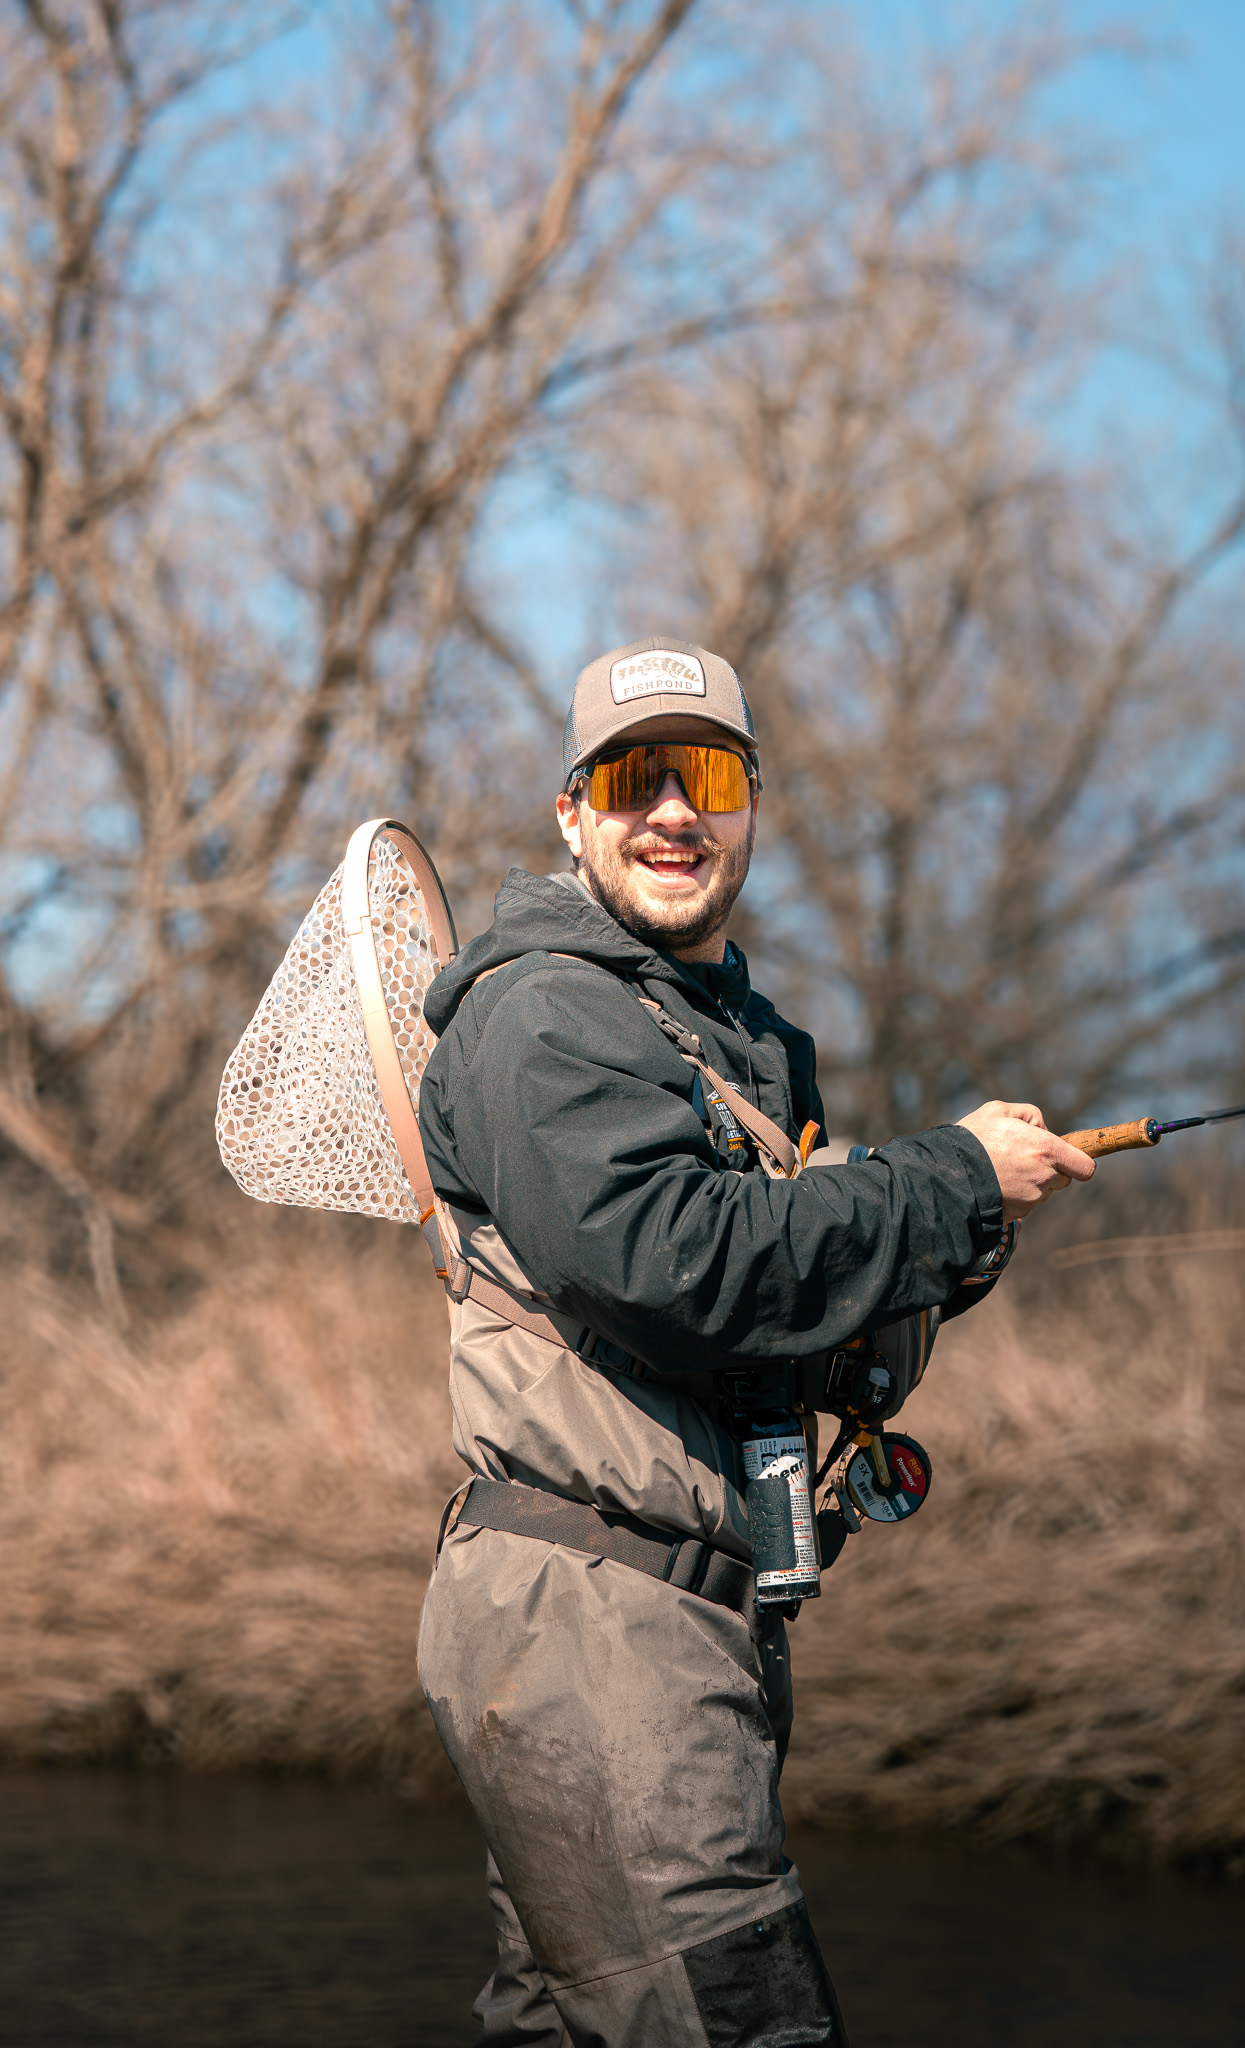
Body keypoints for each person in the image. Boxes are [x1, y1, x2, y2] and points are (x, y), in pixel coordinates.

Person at [416, 637, 1095, 2046]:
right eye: (631, 776)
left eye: (705, 773)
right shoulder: (545, 1012)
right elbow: (670, 1271)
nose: (671, 809)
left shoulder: (739, 1040)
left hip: (689, 1619)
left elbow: (784, 1328)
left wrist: (950, 1225)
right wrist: (944, 1179)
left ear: (750, 803)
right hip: (592, 1626)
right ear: (571, 812)